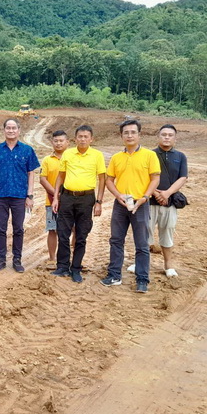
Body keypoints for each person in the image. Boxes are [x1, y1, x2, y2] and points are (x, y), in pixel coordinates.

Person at [101, 119, 160, 293]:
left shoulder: (150, 156)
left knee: (141, 243)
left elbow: (155, 178)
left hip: (141, 204)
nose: (129, 135)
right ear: (121, 136)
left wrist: (145, 197)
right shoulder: (117, 158)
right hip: (121, 204)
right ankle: (114, 275)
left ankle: (142, 279)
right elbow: (109, 180)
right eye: (126, 133)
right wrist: (118, 195)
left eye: (133, 132)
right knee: (116, 240)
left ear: (139, 134)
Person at [51, 125, 106, 283]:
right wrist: (56, 198)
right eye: (80, 136)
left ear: (91, 139)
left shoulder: (97, 155)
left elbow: (102, 179)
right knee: (63, 233)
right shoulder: (68, 154)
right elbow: (60, 177)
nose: (82, 139)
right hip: (67, 198)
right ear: (75, 139)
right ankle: (62, 266)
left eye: (86, 136)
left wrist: (99, 202)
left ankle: (76, 268)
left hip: (86, 199)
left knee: (81, 235)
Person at [0, 118, 40, 273]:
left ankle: (17, 259)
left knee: (18, 229)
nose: (10, 130)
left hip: (19, 196)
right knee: (0, 228)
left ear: (19, 130)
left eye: (13, 128)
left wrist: (30, 195)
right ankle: (1, 259)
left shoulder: (27, 150)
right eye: (8, 128)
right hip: (0, 195)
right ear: (4, 130)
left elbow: (31, 173)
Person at [147, 124, 188, 277]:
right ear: (158, 137)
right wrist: (157, 193)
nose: (166, 137)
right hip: (150, 201)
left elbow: (183, 177)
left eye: (170, 135)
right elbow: (145, 177)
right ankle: (141, 262)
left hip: (169, 203)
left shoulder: (180, 156)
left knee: (168, 232)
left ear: (175, 138)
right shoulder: (149, 155)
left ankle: (168, 265)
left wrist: (167, 193)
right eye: (163, 134)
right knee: (144, 233)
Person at [40, 130, 69, 270]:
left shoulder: (72, 158)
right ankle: (52, 258)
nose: (58, 143)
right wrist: (56, 194)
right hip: (51, 201)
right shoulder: (47, 160)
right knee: (52, 229)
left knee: (73, 229)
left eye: (61, 140)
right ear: (52, 142)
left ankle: (72, 258)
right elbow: (42, 179)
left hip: (70, 201)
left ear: (67, 142)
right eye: (56, 141)